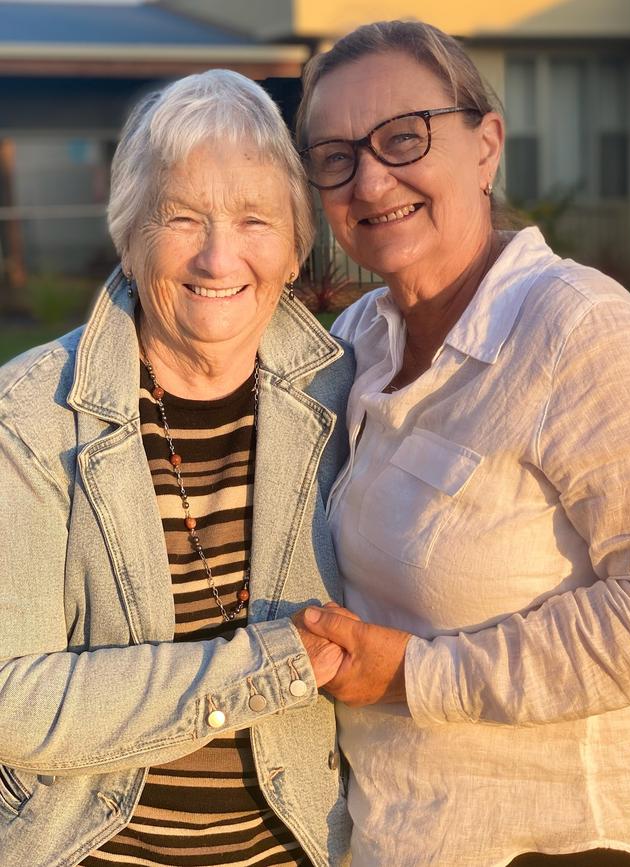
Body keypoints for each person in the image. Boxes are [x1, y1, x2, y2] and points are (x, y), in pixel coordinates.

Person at [293, 18, 630, 867]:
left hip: (555, 840)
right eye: (336, 157)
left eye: (403, 137)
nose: (371, 179)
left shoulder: (576, 330)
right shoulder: (358, 340)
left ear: (486, 143)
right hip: (396, 833)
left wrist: (417, 674)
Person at [0, 69, 354, 867]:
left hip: (297, 848)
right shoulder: (28, 416)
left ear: (296, 248)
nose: (218, 255)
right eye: (183, 216)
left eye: (255, 218)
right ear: (129, 235)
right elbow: (13, 699)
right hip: (92, 847)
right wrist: (265, 664)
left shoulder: (352, 398)